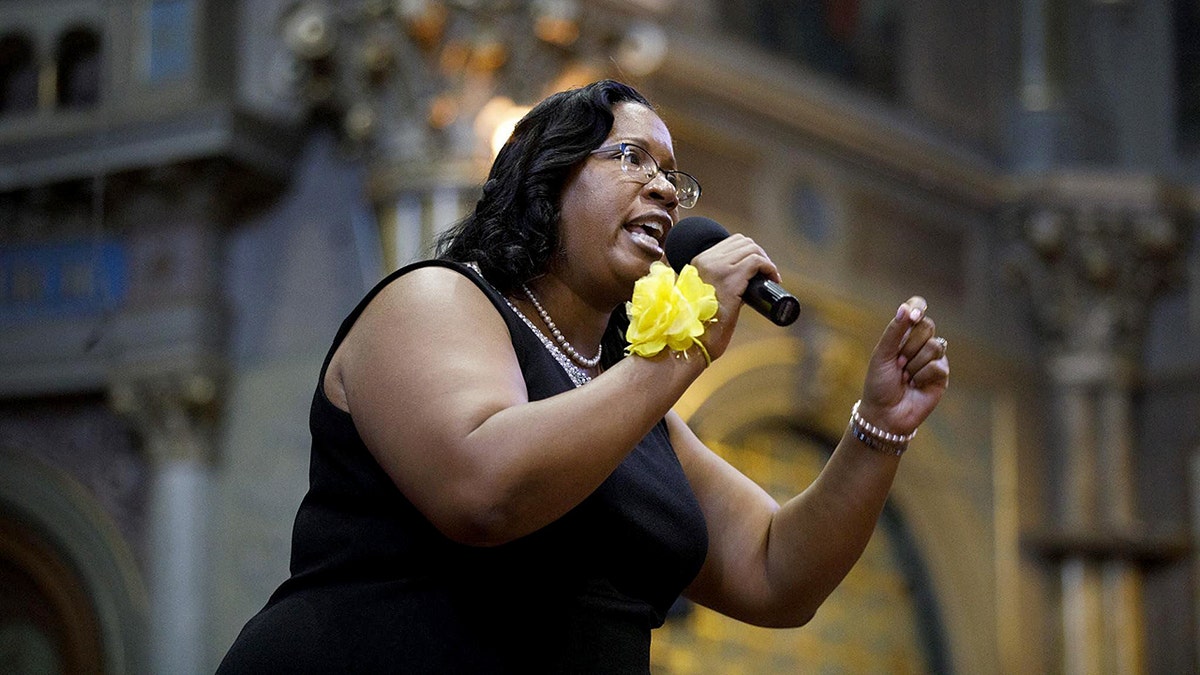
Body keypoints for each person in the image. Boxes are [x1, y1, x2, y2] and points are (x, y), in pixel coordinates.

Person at [217, 79, 949, 673]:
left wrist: (878, 427)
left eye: (672, 176)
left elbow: (774, 571)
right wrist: (686, 349)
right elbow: (483, 493)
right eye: (632, 157)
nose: (664, 190)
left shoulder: (627, 404)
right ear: (546, 179)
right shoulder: (433, 300)